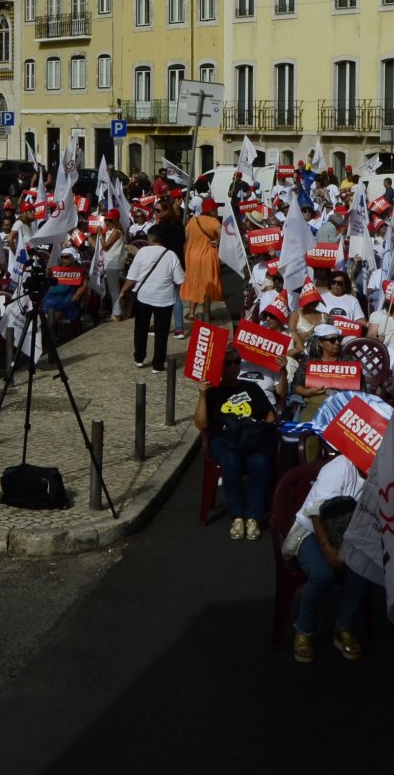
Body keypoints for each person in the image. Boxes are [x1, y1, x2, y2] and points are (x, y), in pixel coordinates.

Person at [287, 451, 373, 663]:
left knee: (363, 569)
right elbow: (315, 511)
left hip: (350, 537)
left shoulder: (384, 475)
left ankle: (344, 627)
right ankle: (303, 630)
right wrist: (327, 547)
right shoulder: (339, 467)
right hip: (312, 531)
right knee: (322, 574)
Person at [193, 347, 277, 540]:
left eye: (237, 361)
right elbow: (201, 424)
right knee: (232, 462)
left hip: (250, 438)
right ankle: (237, 516)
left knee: (261, 462)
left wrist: (264, 431)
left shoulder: (251, 387)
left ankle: (253, 517)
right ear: (218, 367)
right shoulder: (212, 391)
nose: (234, 366)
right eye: (228, 363)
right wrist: (202, 396)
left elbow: (269, 414)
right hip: (224, 439)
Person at [122, 233, 185, 372]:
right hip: (164, 299)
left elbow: (132, 277)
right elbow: (179, 279)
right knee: (161, 333)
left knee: (141, 328)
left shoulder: (142, 252)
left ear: (152, 238)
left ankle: (139, 358)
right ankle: (158, 364)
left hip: (144, 296)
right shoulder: (171, 255)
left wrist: (123, 292)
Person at [181, 200, 224, 326]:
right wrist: (217, 241)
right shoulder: (214, 222)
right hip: (207, 258)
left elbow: (185, 238)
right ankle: (206, 312)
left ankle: (191, 312)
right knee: (207, 284)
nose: (217, 211)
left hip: (192, 257)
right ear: (212, 210)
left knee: (194, 282)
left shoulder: (192, 221)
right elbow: (224, 235)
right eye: (215, 209)